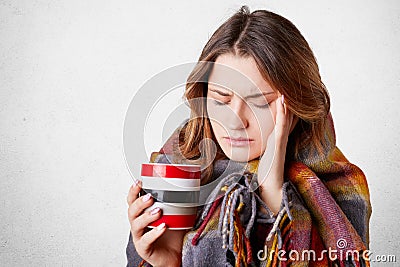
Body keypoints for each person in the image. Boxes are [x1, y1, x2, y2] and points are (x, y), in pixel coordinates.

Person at [126, 6, 372, 267]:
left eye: (260, 103)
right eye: (221, 99)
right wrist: (169, 262)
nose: (235, 121)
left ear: (296, 108)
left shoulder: (340, 189)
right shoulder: (176, 166)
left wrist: (274, 197)